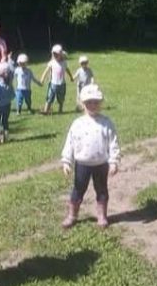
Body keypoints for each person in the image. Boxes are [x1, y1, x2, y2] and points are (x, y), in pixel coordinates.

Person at [60, 83, 120, 228]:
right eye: (89, 102)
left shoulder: (106, 123)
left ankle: (102, 216)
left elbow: (113, 143)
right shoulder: (77, 124)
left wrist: (114, 161)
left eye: (96, 102)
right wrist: (66, 161)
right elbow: (70, 143)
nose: (92, 105)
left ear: (100, 103)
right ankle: (72, 215)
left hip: (101, 164)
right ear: (82, 103)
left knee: (102, 190)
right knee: (78, 190)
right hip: (82, 164)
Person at [41, 44, 75, 114]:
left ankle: (60, 110)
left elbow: (67, 70)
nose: (55, 56)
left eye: (57, 54)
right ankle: (46, 110)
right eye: (54, 54)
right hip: (53, 84)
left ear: (61, 55)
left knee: (61, 98)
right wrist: (42, 79)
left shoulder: (64, 63)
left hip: (62, 84)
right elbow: (46, 71)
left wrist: (71, 77)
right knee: (49, 97)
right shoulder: (52, 63)